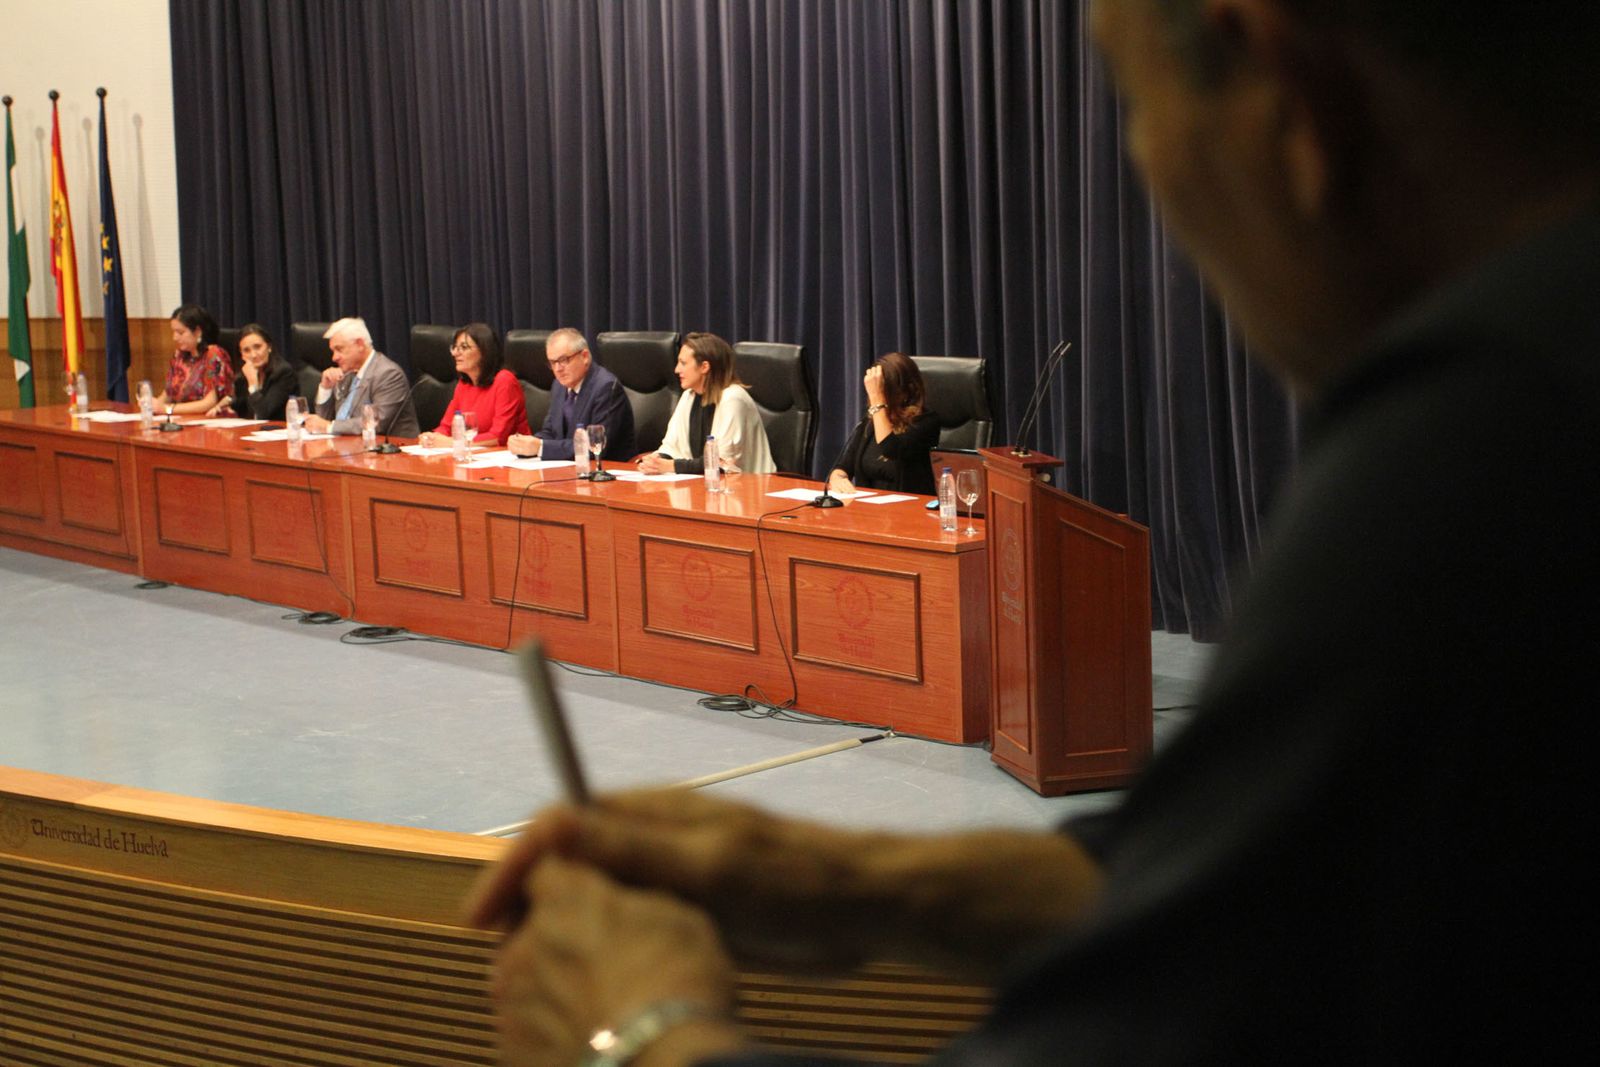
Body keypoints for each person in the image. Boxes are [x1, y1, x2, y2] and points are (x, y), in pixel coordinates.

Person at [468, 1, 1598, 1063]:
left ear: (1286, 96)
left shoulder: (1479, 461)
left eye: (1136, 109)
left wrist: (640, 1029)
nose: (1153, 173)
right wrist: (862, 881)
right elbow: (1268, 890)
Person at [638, 332, 775, 475]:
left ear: (704, 367)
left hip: (748, 488)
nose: (677, 370)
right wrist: (656, 460)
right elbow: (672, 445)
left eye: (683, 363)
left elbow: (722, 462)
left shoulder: (733, 398)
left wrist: (670, 466)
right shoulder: (689, 396)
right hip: (702, 485)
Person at [506, 328, 635, 460]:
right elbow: (551, 432)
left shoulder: (606, 387)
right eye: (553, 362)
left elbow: (595, 447)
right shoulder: (559, 386)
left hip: (606, 472)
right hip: (568, 470)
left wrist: (541, 447)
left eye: (563, 360)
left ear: (584, 356)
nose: (558, 369)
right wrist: (526, 444)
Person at [826, 352, 938, 495]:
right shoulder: (871, 420)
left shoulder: (927, 422)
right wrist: (838, 478)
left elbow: (890, 449)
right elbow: (843, 466)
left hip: (907, 510)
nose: (877, 395)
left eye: (883, 390)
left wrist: (877, 401)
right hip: (869, 510)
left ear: (907, 391)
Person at [415, 323, 530, 449]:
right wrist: (432, 438)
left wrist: (453, 442)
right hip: (475, 456)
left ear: (484, 351)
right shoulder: (464, 384)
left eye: (464, 347)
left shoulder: (505, 381)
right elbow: (446, 427)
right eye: (455, 347)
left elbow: (499, 436)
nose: (455, 353)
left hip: (509, 458)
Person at [301, 317, 420, 438]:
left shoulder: (388, 374)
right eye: (333, 351)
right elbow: (322, 422)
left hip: (390, 451)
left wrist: (328, 427)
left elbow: (376, 422)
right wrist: (326, 389)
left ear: (360, 344)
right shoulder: (346, 373)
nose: (334, 358)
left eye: (339, 349)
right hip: (348, 447)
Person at [152, 304, 233, 415]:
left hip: (212, 422)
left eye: (180, 332)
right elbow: (167, 394)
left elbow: (209, 403)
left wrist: (168, 409)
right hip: (182, 421)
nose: (174, 337)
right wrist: (152, 405)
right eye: (173, 332)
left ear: (198, 332)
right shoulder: (179, 356)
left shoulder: (213, 354)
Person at [212, 323, 298, 421]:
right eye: (246, 350)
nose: (253, 355)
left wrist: (252, 385)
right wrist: (226, 405)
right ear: (241, 355)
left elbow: (263, 413)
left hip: (280, 432)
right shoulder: (243, 376)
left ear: (269, 347)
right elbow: (243, 407)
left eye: (257, 347)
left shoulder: (283, 373)